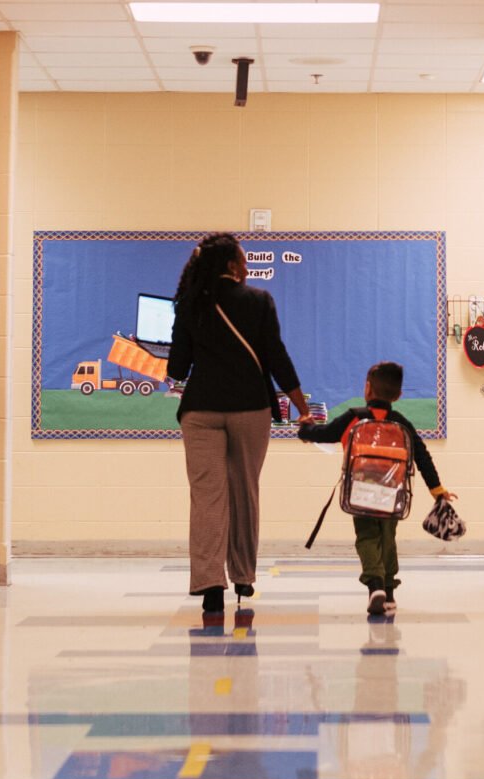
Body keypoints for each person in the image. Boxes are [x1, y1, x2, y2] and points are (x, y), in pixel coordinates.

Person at [168, 232, 311, 614]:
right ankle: (243, 576)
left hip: (200, 411)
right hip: (250, 408)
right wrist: (302, 408)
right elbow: (277, 358)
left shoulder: (189, 304)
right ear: (232, 265)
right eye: (244, 260)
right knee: (245, 491)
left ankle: (210, 585)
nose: (247, 267)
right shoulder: (259, 301)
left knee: (207, 498)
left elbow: (177, 368)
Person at [298, 361, 457, 615]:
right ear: (399, 395)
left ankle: (375, 586)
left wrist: (305, 429)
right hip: (392, 494)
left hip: (360, 491)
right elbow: (422, 456)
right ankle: (389, 592)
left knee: (367, 537)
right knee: (387, 539)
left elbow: (324, 434)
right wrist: (437, 490)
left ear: (367, 388)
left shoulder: (354, 416)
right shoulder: (401, 423)